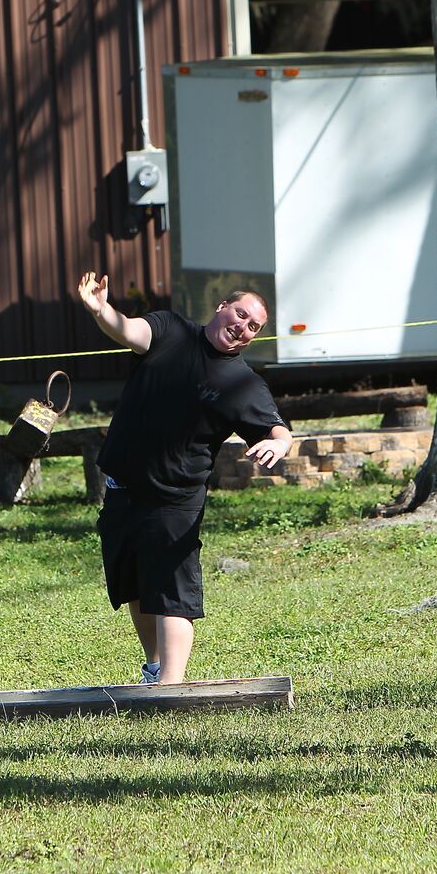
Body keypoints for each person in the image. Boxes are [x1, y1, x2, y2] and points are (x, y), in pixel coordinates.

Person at [77, 270, 293, 686]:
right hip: (122, 488)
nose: (243, 327)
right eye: (240, 314)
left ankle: (171, 689)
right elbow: (129, 331)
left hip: (176, 498)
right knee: (136, 588)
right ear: (221, 307)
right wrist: (101, 309)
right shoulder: (171, 329)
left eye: (253, 327)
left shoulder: (242, 382)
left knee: (172, 595)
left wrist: (279, 445)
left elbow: (277, 428)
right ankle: (155, 670)